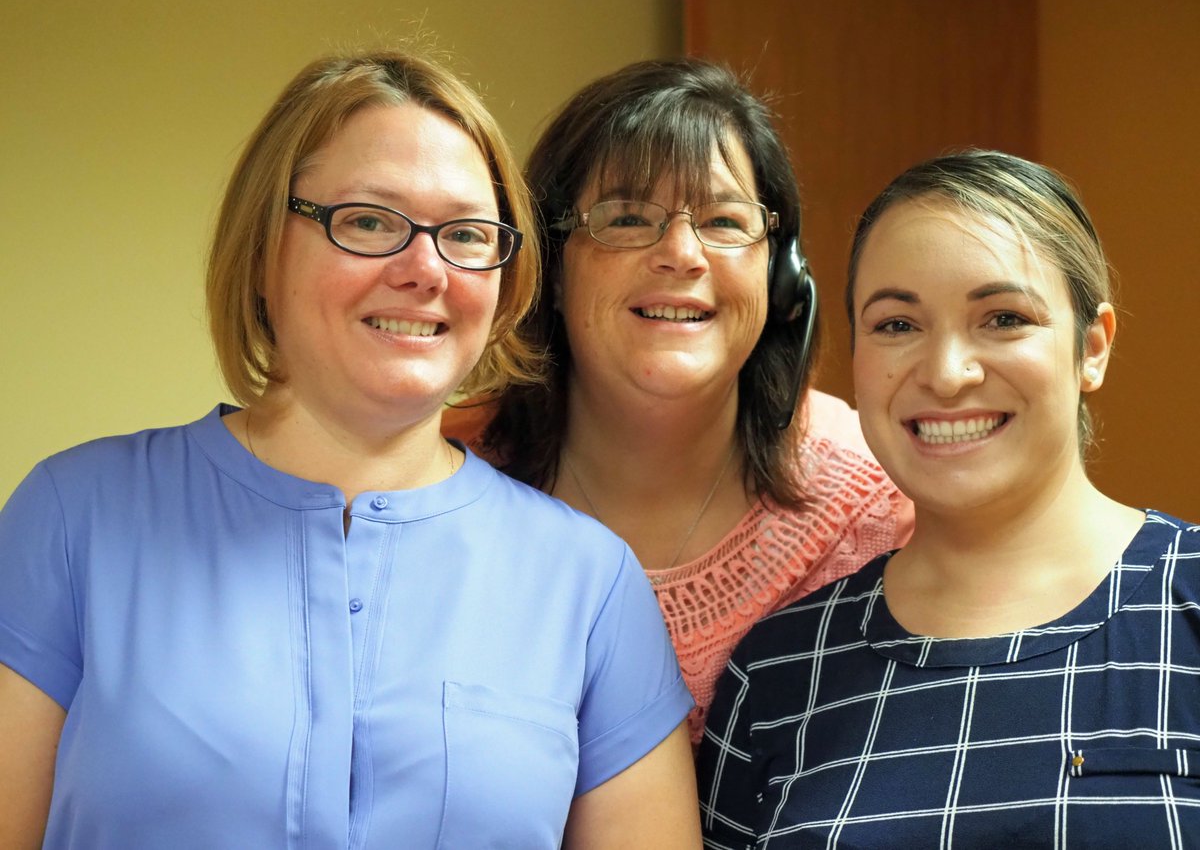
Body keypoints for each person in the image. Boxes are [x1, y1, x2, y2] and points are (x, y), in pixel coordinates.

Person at [0, 50, 701, 849]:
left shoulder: (590, 585)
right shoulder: (72, 518)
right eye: (370, 221)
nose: (425, 269)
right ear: (265, 250)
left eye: (467, 234)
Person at [698, 149, 1200, 846]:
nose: (946, 373)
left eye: (1003, 318)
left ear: (1092, 347)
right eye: (897, 325)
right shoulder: (779, 673)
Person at [445, 58, 914, 743]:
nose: (681, 254)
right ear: (548, 262)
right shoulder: (437, 481)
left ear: (781, 278)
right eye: (628, 217)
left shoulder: (876, 502)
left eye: (725, 221)